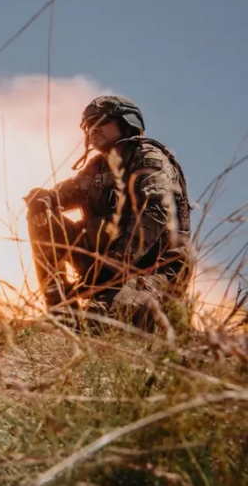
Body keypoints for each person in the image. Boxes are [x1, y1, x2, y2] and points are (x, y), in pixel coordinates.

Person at [24, 95, 192, 332]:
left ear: (126, 123)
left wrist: (114, 266)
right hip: (103, 269)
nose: (93, 129)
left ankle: (157, 321)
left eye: (101, 121)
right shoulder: (97, 167)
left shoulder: (149, 158)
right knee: (41, 217)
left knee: (99, 322)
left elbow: (155, 213)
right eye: (88, 125)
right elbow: (64, 193)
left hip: (155, 271)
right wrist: (41, 198)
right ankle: (62, 313)